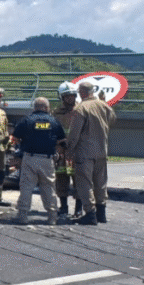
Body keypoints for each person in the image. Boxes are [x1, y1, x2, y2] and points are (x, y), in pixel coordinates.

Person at [65, 81, 117, 225]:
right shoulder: (103, 105)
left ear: (81, 92)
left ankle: (90, 214)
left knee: (85, 183)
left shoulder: (81, 108)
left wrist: (69, 150)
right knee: (101, 183)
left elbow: (74, 133)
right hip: (101, 151)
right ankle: (102, 213)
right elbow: (112, 119)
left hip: (85, 152)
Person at [10, 97, 66, 225]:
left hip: (30, 158)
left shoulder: (26, 120)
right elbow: (61, 141)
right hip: (47, 160)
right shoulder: (54, 121)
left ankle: (23, 216)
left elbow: (16, 138)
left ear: (34, 107)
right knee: (49, 188)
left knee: (26, 187)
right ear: (47, 108)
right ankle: (52, 217)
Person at [53, 81, 81, 218]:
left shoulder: (81, 111)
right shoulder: (56, 113)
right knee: (61, 180)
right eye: (67, 96)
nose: (70, 98)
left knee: (78, 181)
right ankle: (63, 207)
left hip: (75, 154)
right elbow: (50, 131)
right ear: (62, 98)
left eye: (72, 95)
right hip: (61, 154)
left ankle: (78, 209)